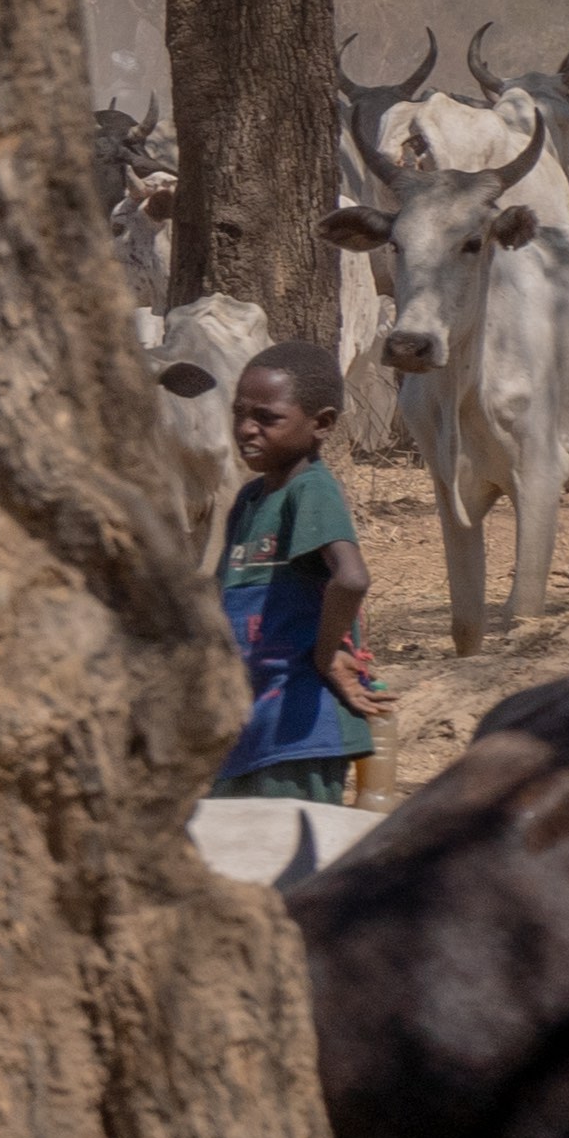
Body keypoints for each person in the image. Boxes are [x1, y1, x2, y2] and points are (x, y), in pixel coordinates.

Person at [217, 342, 379, 805]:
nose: (246, 429)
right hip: (250, 729)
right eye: (239, 414)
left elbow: (350, 578)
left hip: (300, 732)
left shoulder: (310, 491)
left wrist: (326, 654)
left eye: (267, 418)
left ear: (322, 424)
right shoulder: (250, 501)